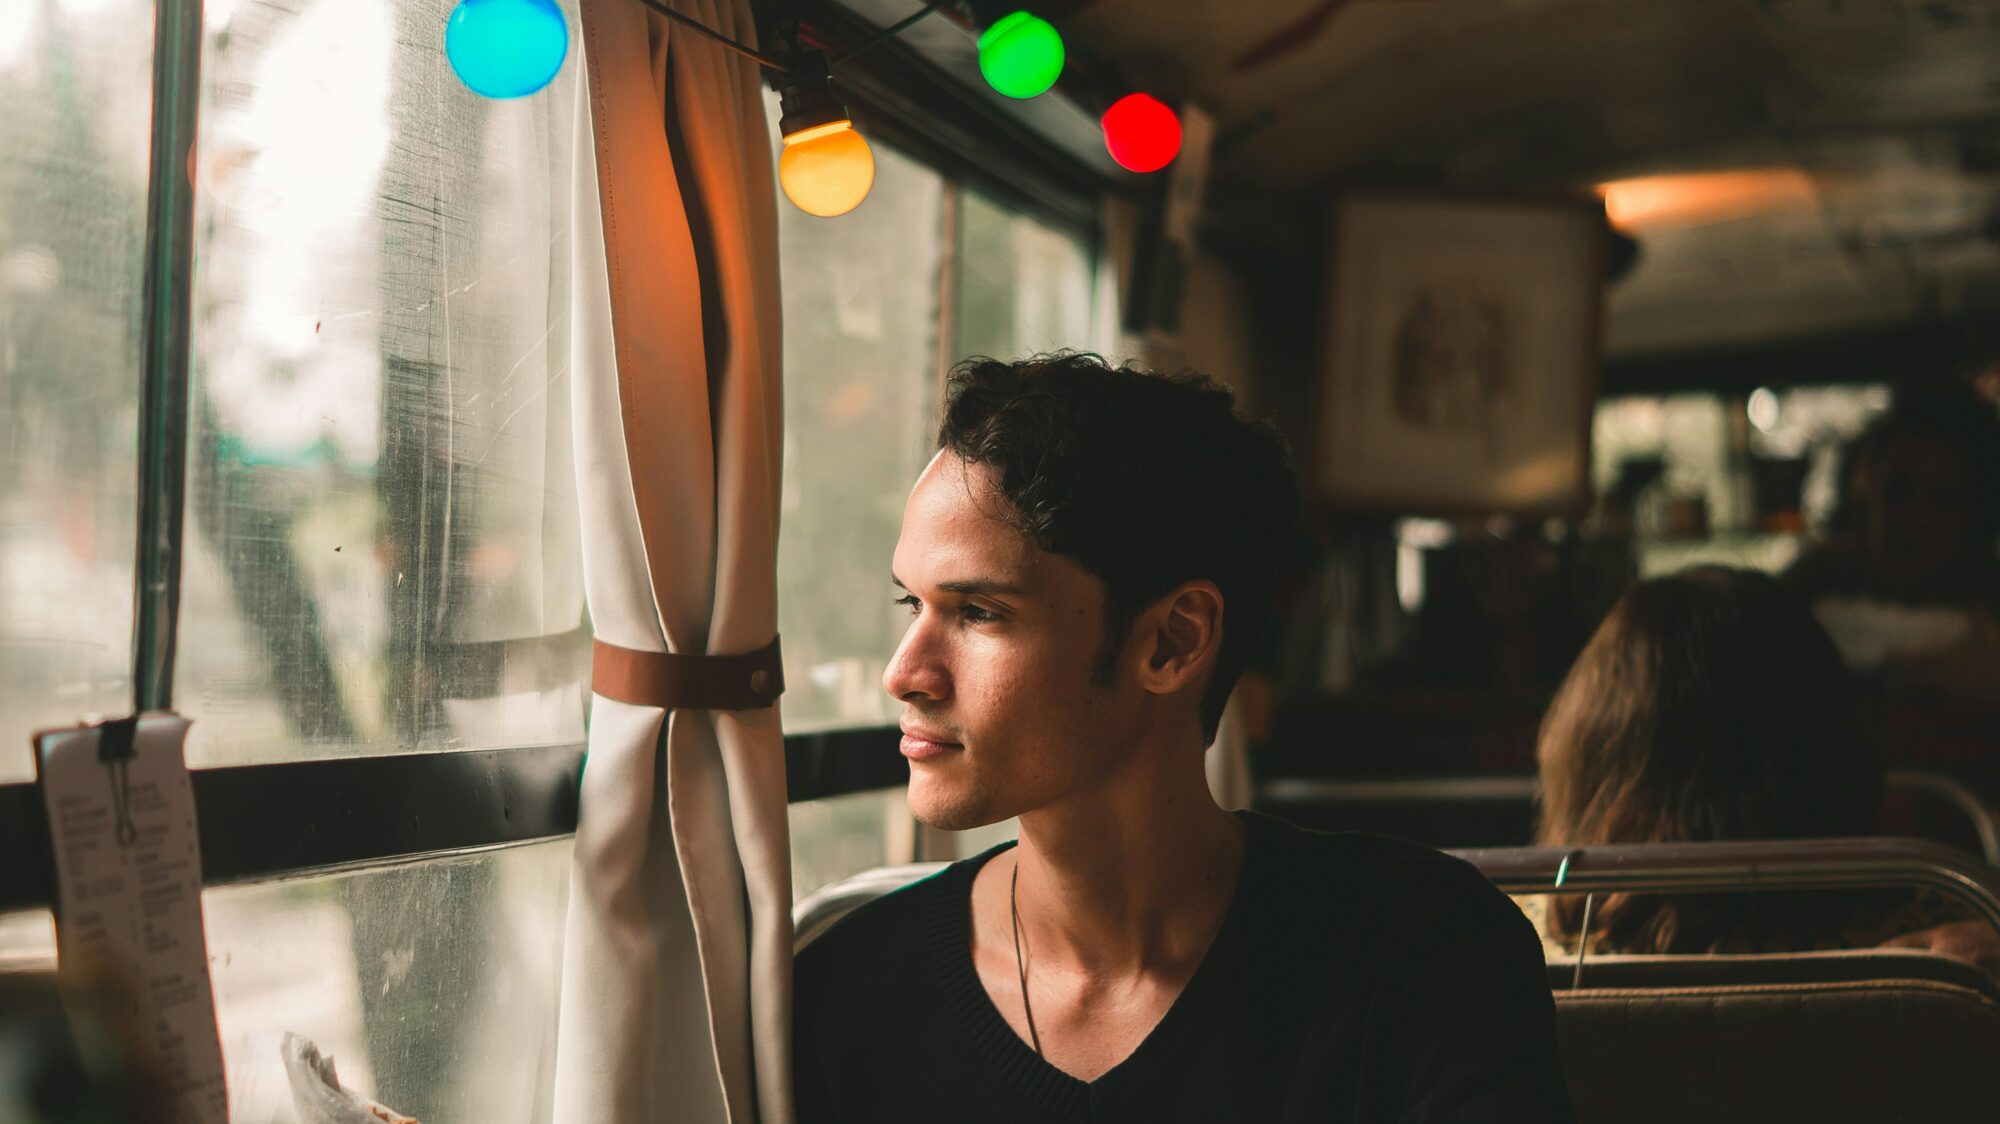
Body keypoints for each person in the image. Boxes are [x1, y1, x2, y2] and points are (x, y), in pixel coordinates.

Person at [793, 354, 1573, 1122]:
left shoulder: (1424, 959)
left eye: (979, 614)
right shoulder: (847, 994)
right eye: (912, 605)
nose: (906, 673)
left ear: (1173, 641)